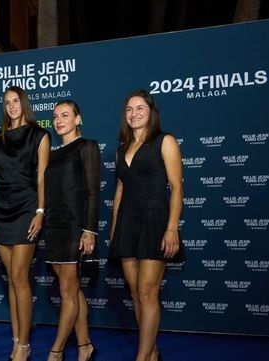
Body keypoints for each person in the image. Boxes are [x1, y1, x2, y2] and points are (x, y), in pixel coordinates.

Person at [108, 90, 184, 361]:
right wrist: (114, 228)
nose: (134, 113)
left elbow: (176, 188)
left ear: (151, 112)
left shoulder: (166, 141)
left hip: (154, 220)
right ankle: (151, 354)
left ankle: (141, 358)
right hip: (127, 222)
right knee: (135, 293)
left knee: (147, 292)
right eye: (129, 109)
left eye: (140, 108)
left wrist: (172, 227)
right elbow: (119, 190)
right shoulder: (120, 150)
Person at [0, 86, 50, 361]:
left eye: (16, 101)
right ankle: (16, 338)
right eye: (7, 102)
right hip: (0, 212)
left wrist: (40, 211)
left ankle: (24, 344)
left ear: (24, 103)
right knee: (12, 280)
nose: (11, 106)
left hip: (26, 208)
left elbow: (42, 177)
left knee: (19, 277)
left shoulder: (39, 135)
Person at [44, 100, 100, 361]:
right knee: (73, 290)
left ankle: (56, 351)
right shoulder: (53, 154)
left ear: (78, 119)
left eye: (65, 115)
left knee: (68, 292)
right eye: (55, 116)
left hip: (75, 226)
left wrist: (89, 230)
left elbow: (91, 190)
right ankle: (85, 345)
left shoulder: (86, 147)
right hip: (54, 226)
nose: (59, 120)